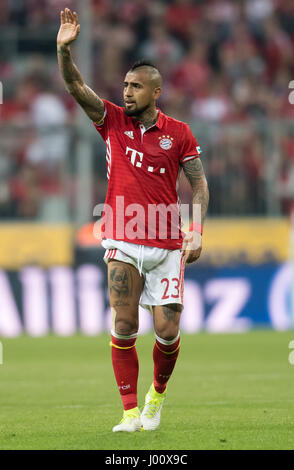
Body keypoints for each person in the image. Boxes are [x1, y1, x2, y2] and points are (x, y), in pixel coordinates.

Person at [57, 8, 209, 433]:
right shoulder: (111, 122)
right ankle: (128, 414)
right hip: (122, 239)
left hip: (167, 246)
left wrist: (195, 230)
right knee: (124, 324)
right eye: (124, 85)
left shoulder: (178, 133)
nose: (126, 92)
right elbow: (74, 86)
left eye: (135, 86)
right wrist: (63, 51)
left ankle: (155, 399)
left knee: (167, 328)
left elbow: (199, 187)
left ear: (155, 92)